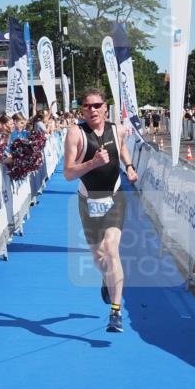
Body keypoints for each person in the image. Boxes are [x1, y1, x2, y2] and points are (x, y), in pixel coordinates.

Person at [63, 87, 139, 333]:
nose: (93, 110)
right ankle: (107, 281)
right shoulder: (76, 134)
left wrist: (129, 166)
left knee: (111, 249)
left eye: (97, 105)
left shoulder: (116, 130)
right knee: (99, 258)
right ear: (82, 110)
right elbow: (67, 173)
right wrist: (92, 163)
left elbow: (123, 149)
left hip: (114, 196)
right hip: (88, 201)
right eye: (88, 106)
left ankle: (115, 313)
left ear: (106, 107)